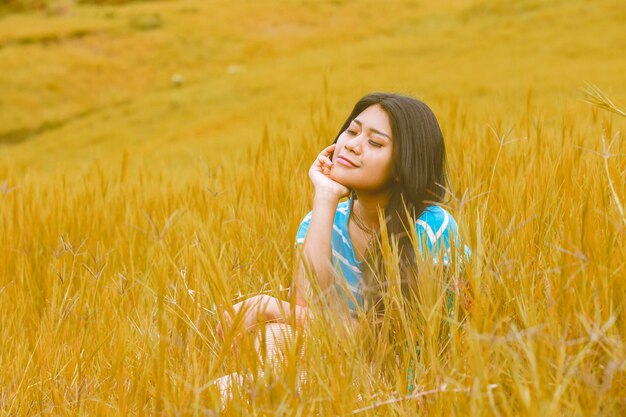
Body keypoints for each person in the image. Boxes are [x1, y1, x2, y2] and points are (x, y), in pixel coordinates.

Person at [215, 92, 468, 397]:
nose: (352, 144)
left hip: (406, 380)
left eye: (375, 143)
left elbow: (391, 339)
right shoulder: (321, 221)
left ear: (403, 166)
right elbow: (306, 315)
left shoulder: (431, 227)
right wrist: (325, 195)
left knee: (249, 377)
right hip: (342, 364)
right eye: (351, 130)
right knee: (276, 338)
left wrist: (269, 306)